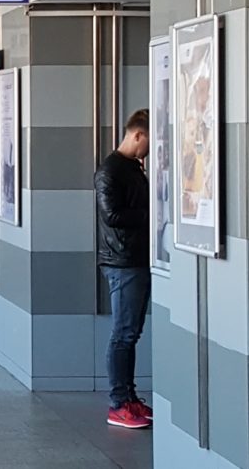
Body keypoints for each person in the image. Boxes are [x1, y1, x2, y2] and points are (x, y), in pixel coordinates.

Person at [94, 108, 152, 430]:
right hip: (122, 262)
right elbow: (112, 215)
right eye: (148, 141)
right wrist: (150, 215)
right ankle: (118, 403)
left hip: (136, 259)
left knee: (132, 333)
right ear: (137, 135)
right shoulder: (110, 171)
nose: (149, 149)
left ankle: (129, 397)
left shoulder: (133, 168)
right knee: (123, 334)